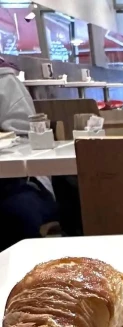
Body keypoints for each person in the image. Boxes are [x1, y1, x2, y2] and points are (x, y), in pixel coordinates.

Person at [0, 56, 59, 251]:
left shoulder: (5, 81)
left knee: (15, 213)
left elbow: (25, 137)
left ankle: (22, 278)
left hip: (17, 183)